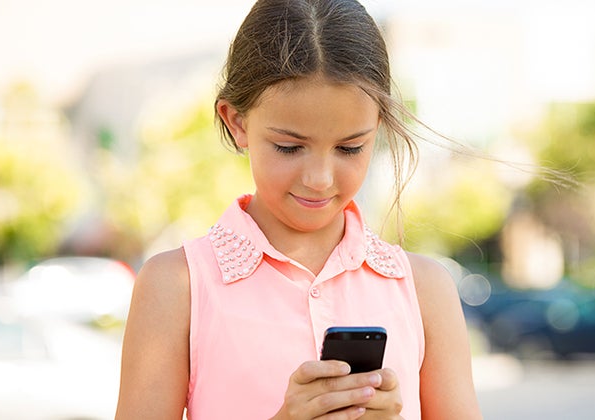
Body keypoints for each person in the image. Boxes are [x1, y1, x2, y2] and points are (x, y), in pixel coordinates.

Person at [115, 0, 482, 418]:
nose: (320, 178)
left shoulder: (424, 289)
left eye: (350, 147)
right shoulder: (177, 286)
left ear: (377, 126)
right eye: (289, 147)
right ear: (236, 122)